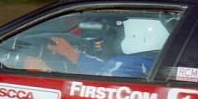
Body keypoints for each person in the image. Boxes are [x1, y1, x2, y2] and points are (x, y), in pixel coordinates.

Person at [24, 36, 156, 78]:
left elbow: (95, 87)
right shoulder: (157, 58)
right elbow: (105, 70)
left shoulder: (131, 62)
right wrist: (71, 54)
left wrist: (46, 72)